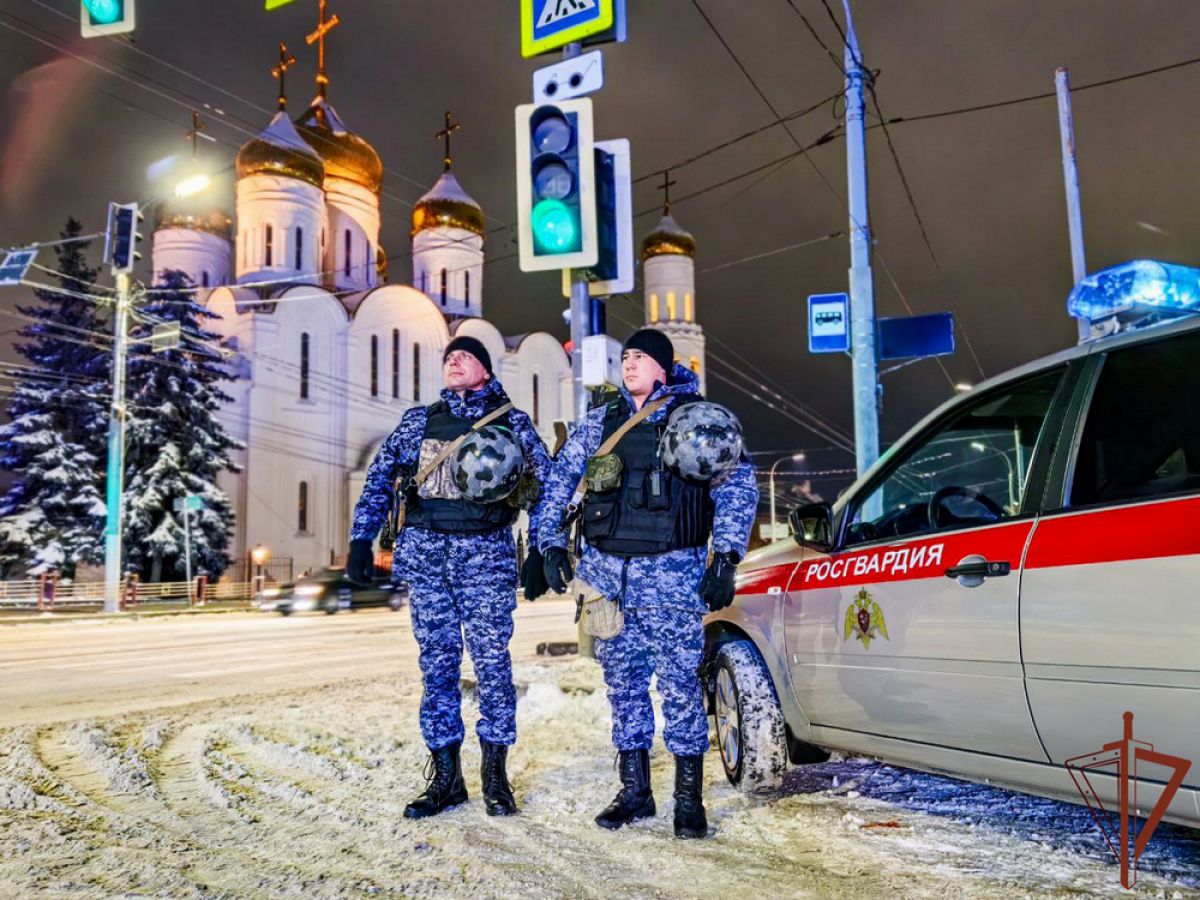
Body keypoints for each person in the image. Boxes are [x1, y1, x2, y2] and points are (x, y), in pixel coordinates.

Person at [535, 329, 757, 839]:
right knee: (624, 689)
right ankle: (635, 792)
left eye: (640, 357)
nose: (629, 364)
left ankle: (688, 799)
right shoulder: (601, 421)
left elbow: (736, 486)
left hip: (672, 578)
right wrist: (549, 544)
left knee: (680, 689)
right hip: (608, 579)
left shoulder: (695, 420)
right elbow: (558, 482)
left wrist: (725, 556)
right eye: (627, 356)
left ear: (663, 366)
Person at [348, 336, 552, 818]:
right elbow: (380, 478)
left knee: (492, 669)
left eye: (466, 355)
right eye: (449, 357)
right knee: (436, 669)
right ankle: (446, 779)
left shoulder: (512, 423)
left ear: (486, 371)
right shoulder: (419, 422)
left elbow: (547, 489)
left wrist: (542, 550)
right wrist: (360, 537)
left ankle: (495, 777)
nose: (454, 360)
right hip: (427, 563)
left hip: (485, 562)